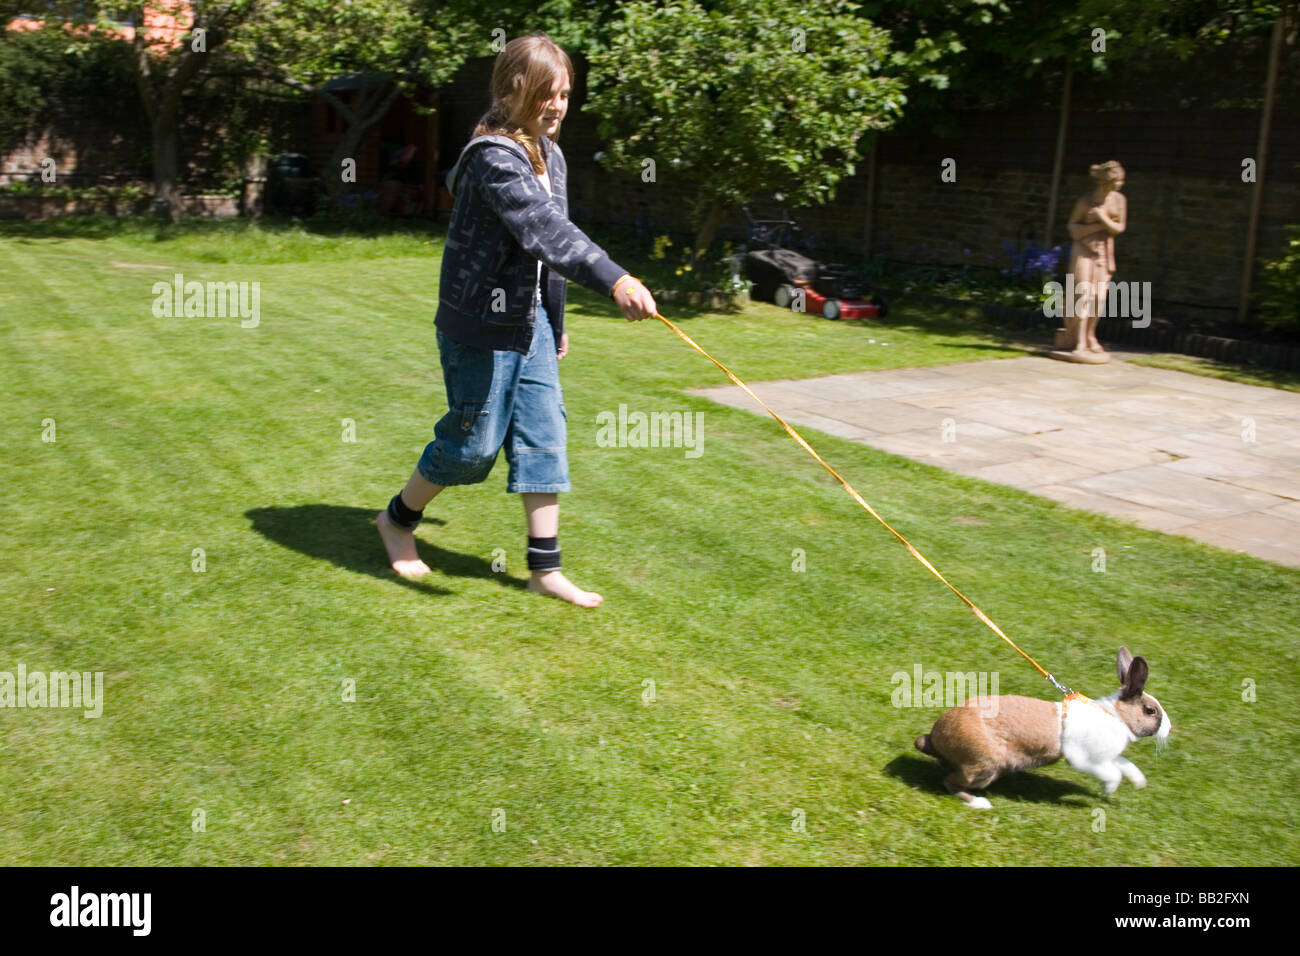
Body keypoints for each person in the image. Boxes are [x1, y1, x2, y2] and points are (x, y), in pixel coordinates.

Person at [377, 33, 658, 608]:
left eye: (564, 94)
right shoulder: (493, 157)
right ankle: (396, 521)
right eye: (545, 94)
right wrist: (616, 278)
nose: (557, 106)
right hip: (479, 326)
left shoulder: (550, 155)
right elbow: (542, 229)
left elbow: (546, 252)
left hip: (530, 326)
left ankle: (544, 570)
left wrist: (556, 321)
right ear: (511, 91)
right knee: (472, 446)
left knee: (544, 439)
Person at [1065, 161, 1127, 354]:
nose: (1119, 185)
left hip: (1104, 253)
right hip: (1083, 250)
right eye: (1116, 181)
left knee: (1099, 298)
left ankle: (1091, 335)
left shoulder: (1119, 200)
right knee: (1083, 294)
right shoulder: (1086, 201)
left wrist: (1102, 218)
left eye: (1120, 181)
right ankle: (1079, 340)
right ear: (1104, 182)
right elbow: (1073, 228)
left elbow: (1119, 228)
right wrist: (1097, 226)